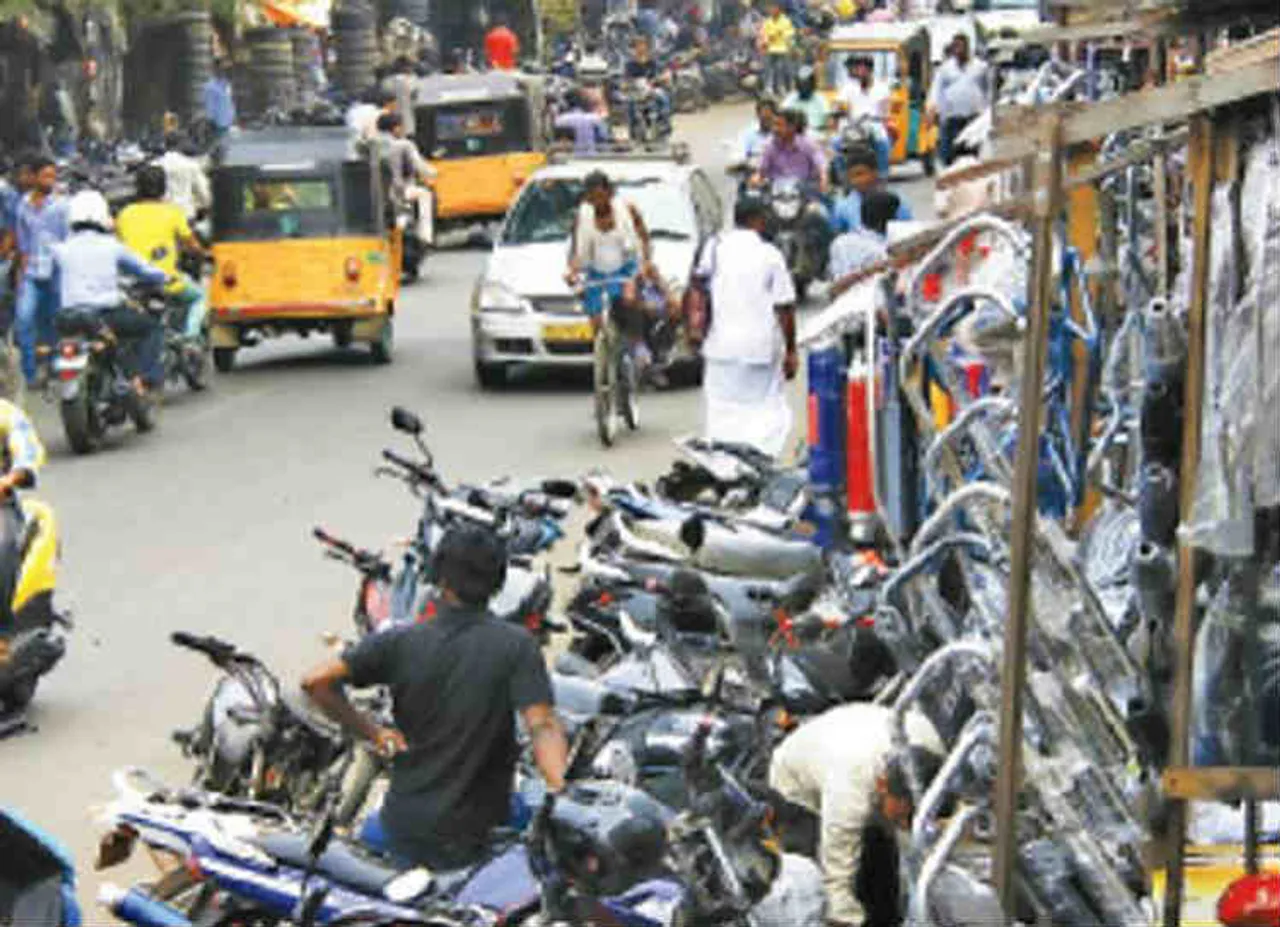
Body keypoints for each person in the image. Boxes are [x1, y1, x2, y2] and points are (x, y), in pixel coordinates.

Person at [303, 524, 568, 870]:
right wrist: (561, 792)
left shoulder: (401, 641)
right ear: (498, 584)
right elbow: (543, 726)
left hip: (402, 825)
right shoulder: (517, 647)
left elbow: (315, 682)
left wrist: (373, 733)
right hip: (475, 835)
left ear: (440, 579)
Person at [769, 701, 945, 927]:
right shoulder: (850, 790)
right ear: (882, 785)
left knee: (883, 872)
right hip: (798, 782)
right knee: (815, 883)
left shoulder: (934, 752)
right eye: (902, 817)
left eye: (910, 817)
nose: (905, 824)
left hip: (855, 739)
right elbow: (836, 881)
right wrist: (844, 917)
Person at [694, 194, 797, 458]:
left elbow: (698, 286)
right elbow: (784, 306)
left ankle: (724, 464)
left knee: (721, 412)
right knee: (764, 410)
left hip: (720, 347)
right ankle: (756, 461)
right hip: (760, 349)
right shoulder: (770, 255)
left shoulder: (714, 248)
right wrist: (791, 350)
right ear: (758, 221)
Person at [51, 191, 168, 395]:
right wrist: (163, 276)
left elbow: (52, 281)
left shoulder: (60, 249)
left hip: (67, 318)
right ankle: (146, 379)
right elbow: (144, 270)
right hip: (104, 316)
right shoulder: (113, 247)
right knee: (152, 328)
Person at [116, 165, 209, 346]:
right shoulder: (173, 212)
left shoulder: (124, 214)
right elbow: (191, 244)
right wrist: (203, 253)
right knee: (200, 298)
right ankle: (189, 338)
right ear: (164, 188)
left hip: (132, 286)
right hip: (166, 282)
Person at [565, 171, 653, 340]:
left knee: (628, 302)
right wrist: (573, 272)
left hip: (626, 269)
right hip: (596, 272)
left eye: (600, 196)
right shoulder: (582, 217)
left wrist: (644, 265)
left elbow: (644, 240)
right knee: (597, 321)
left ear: (609, 193)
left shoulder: (628, 211)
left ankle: (638, 345)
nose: (597, 202)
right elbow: (577, 252)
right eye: (592, 198)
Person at [14, 157, 69, 387]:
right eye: (46, 176)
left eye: (53, 176)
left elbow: (68, 240)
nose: (51, 181)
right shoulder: (23, 205)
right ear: (34, 177)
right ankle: (30, 374)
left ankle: (57, 364)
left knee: (55, 321)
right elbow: (23, 244)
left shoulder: (62, 205)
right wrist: (20, 276)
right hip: (32, 272)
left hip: (56, 272)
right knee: (24, 319)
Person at [376, 111, 437, 250]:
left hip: (377, 192)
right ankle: (425, 236)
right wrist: (434, 173)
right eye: (401, 126)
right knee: (425, 195)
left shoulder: (372, 144)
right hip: (399, 191)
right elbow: (420, 167)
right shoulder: (403, 145)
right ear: (395, 128)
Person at [928, 33, 988, 167]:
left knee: (971, 157)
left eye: (961, 46)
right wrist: (932, 109)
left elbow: (987, 90)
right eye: (956, 47)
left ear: (968, 48)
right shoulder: (945, 69)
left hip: (973, 119)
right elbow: (936, 90)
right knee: (949, 157)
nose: (959, 50)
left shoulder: (980, 67)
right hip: (951, 120)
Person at [831, 142, 912, 234]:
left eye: (860, 174)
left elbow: (907, 232)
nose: (856, 181)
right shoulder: (843, 207)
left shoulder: (895, 202)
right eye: (852, 177)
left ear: (875, 172)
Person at [828, 188, 898, 279]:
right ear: (882, 222)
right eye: (894, 216)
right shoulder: (880, 252)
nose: (897, 219)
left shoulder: (839, 242)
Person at [839, 55, 891, 175]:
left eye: (863, 69)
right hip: (853, 126)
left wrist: (882, 117)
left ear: (870, 70)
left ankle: (882, 175)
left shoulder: (882, 88)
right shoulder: (848, 88)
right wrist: (839, 111)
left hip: (874, 125)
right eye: (858, 69)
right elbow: (840, 104)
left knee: (883, 144)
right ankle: (842, 175)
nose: (860, 72)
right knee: (835, 144)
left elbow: (885, 111)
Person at [156, 134, 211, 223]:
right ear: (181, 145)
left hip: (162, 214)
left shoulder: (156, 164)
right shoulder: (191, 165)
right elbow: (202, 190)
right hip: (185, 213)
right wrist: (206, 205)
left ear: (165, 145)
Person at [624, 36, 671, 135]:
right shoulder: (630, 64)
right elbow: (626, 79)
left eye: (642, 45)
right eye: (637, 45)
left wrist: (661, 77)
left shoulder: (652, 62)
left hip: (652, 89)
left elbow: (663, 72)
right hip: (636, 91)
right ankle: (632, 128)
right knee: (630, 103)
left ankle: (665, 123)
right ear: (634, 48)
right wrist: (626, 84)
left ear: (647, 47)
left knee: (663, 98)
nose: (640, 48)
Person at [553, 90, 609, 155]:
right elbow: (603, 136)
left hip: (570, 158)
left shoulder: (561, 120)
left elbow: (557, 141)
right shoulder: (594, 118)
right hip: (591, 156)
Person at [782, 65, 831, 138]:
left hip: (817, 136)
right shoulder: (790, 99)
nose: (803, 87)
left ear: (813, 84)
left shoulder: (821, 100)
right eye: (801, 84)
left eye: (806, 84)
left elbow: (828, 122)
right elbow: (782, 117)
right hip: (794, 137)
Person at [760, 3, 796, 97]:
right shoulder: (767, 21)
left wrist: (778, 34)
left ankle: (781, 87)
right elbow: (764, 34)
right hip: (770, 48)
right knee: (768, 68)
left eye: (774, 8)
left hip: (782, 48)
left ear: (779, 9)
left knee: (780, 69)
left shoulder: (786, 21)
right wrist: (766, 41)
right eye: (770, 8)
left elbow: (790, 33)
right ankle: (768, 88)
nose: (771, 10)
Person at [732, 97, 779, 170]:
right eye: (764, 118)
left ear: (777, 116)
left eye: (769, 118)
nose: (767, 122)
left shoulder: (785, 133)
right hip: (753, 169)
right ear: (757, 115)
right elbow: (738, 154)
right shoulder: (747, 133)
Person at [201, 61, 237, 140]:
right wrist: (211, 124)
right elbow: (209, 108)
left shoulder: (227, 85)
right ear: (215, 70)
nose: (224, 72)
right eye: (221, 69)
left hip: (227, 125)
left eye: (225, 70)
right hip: (217, 126)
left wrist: (233, 119)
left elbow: (230, 103)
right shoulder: (210, 87)